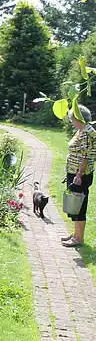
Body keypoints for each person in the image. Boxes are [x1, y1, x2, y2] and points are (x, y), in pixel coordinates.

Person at [62, 105, 96, 247]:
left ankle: (79, 238)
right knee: (74, 204)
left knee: (79, 205)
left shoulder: (87, 133)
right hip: (74, 171)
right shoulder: (81, 130)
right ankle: (76, 233)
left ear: (78, 118)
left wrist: (79, 174)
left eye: (72, 118)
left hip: (80, 174)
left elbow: (85, 156)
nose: (71, 121)